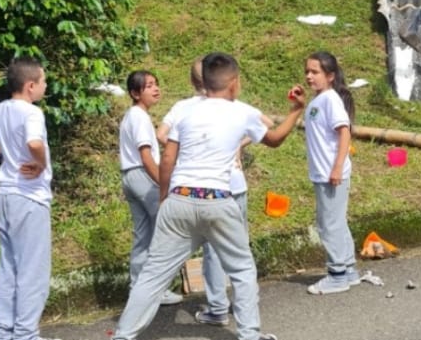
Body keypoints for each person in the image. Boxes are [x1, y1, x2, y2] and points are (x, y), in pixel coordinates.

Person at [110, 52, 304, 340]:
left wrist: (164, 199)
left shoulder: (185, 110)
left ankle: (123, 335)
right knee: (241, 270)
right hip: (217, 200)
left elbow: (167, 159)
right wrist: (295, 111)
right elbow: (274, 140)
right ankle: (249, 335)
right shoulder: (241, 111)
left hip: (179, 198)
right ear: (234, 83)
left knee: (152, 275)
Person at [160, 58, 273, 328]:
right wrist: (236, 142)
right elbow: (267, 125)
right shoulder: (235, 107)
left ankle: (218, 307)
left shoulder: (184, 108)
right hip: (233, 187)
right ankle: (248, 320)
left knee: (212, 251)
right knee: (241, 255)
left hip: (201, 192)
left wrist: (187, 152)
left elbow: (162, 136)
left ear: (194, 82)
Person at [0, 57, 56, 340]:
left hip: (5, 195)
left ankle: (4, 332)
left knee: (9, 267)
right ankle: (26, 334)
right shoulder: (32, 113)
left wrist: (1, 156)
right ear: (31, 86)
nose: (46, 86)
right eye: (43, 81)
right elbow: (33, 143)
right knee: (33, 271)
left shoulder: (3, 109)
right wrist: (41, 163)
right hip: (29, 198)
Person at [287, 51, 359, 295]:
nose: (309, 76)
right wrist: (300, 103)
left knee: (328, 224)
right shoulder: (319, 101)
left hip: (331, 173)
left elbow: (344, 131)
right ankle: (348, 269)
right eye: (307, 71)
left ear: (330, 76)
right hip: (324, 172)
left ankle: (337, 274)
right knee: (336, 222)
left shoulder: (330, 99)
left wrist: (337, 166)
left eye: (315, 72)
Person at [118, 70, 183, 306]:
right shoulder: (140, 117)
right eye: (149, 86)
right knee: (164, 233)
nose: (156, 89)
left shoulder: (131, 116)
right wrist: (163, 185)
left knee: (143, 236)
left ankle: (138, 289)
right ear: (136, 93)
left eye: (156, 84)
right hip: (143, 176)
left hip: (129, 176)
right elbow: (146, 157)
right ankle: (158, 289)